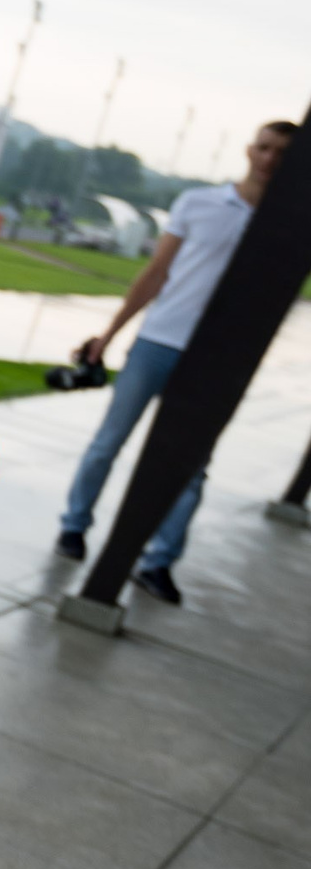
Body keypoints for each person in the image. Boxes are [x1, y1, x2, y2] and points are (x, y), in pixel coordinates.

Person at [55, 119, 295, 601]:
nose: (270, 159)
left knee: (193, 468)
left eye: (282, 154)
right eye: (265, 148)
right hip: (158, 343)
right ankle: (74, 527)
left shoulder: (284, 225)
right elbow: (155, 273)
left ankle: (159, 562)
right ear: (250, 150)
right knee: (109, 443)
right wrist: (109, 335)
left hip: (215, 363)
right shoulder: (200, 203)